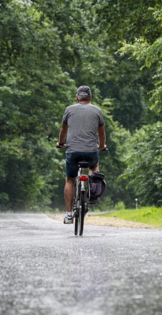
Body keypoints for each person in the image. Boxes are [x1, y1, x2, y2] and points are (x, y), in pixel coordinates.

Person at [56, 85, 106, 224]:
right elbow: (101, 132)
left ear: (77, 97)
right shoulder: (97, 110)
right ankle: (92, 191)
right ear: (90, 97)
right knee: (94, 167)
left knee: (70, 180)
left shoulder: (69, 110)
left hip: (73, 151)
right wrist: (101, 146)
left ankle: (69, 214)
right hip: (91, 151)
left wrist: (61, 143)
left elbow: (63, 130)